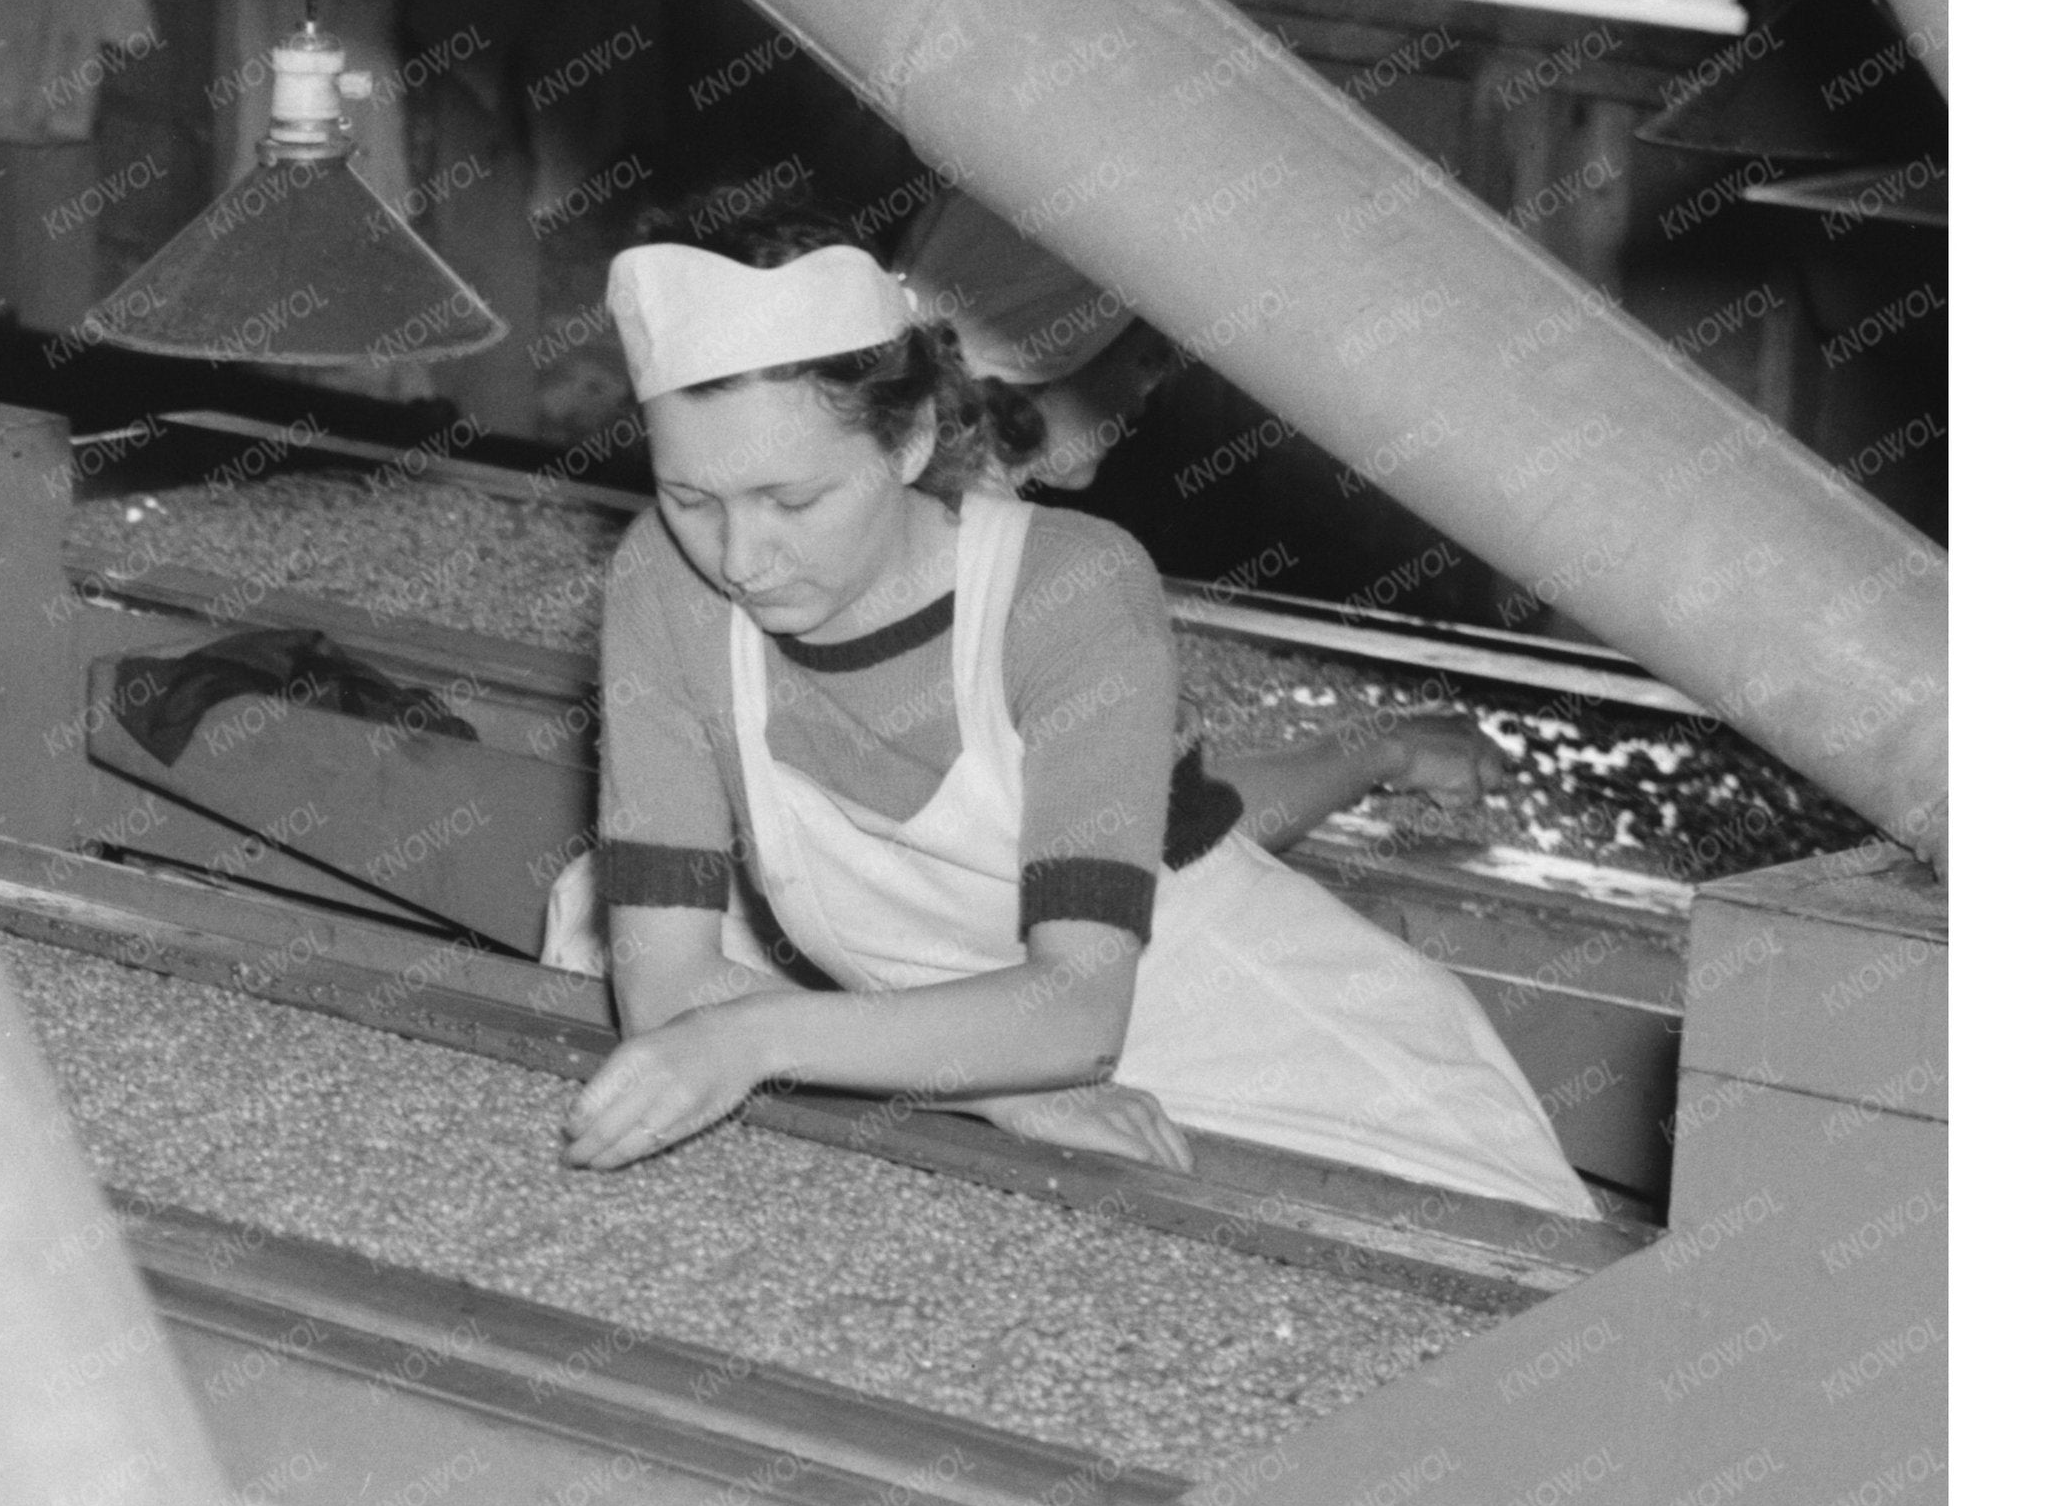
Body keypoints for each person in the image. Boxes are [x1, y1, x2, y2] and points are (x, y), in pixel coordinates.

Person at [572, 240, 1597, 1214]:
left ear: (912, 438)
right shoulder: (662, 583)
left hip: (1314, 1075)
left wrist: (759, 1038)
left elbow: (1077, 1008)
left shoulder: (1065, 588)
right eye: (688, 495)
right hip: (1027, 1097)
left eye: (792, 499)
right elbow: (664, 987)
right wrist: (991, 1090)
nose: (740, 555)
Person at [904, 184, 1495, 849]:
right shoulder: (1031, 575)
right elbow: (1148, 840)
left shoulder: (901, 505)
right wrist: (1386, 748)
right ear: (1045, 341)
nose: (1152, 386)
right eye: (1146, 352)